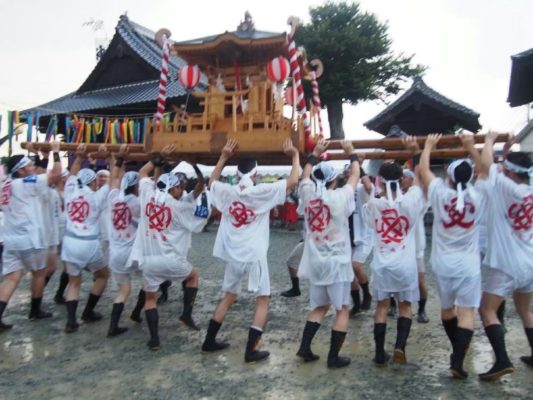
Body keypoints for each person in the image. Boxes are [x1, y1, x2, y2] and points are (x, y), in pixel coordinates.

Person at [201, 138, 299, 363]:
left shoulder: (227, 191)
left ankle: (209, 341)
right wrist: (294, 155)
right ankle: (251, 350)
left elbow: (212, 181)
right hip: (254, 254)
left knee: (229, 296)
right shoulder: (262, 191)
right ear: (255, 174)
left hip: (234, 254)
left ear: (237, 175)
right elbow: (293, 180)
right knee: (263, 299)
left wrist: (224, 156)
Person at [419, 134, 485, 379]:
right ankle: (457, 358)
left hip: (443, 263)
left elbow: (423, 170)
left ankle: (457, 348)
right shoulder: (479, 195)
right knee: (467, 312)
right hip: (469, 265)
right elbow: (485, 171)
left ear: (448, 177)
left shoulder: (438, 192)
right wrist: (472, 146)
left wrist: (428, 146)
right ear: (471, 177)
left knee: (447, 310)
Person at [130, 146, 208, 350]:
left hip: (148, 260)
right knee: (193, 277)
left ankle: (154, 339)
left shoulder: (147, 194)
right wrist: (196, 168)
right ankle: (186, 315)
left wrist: (158, 158)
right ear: (173, 189)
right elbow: (199, 218)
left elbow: (142, 173)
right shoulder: (179, 206)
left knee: (150, 299)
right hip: (171, 259)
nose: (181, 189)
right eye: (178, 187)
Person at [295, 139, 360, 368]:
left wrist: (314, 153)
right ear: (334, 180)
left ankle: (305, 347)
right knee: (342, 309)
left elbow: (304, 176)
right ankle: (333, 356)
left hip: (316, 261)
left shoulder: (308, 194)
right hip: (337, 261)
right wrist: (351, 153)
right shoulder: (340, 196)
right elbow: (355, 176)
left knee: (319, 307)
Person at [476, 132, 533, 380]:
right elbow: (504, 168)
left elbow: (488, 165)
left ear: (509, 171)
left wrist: (489, 142)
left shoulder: (505, 186)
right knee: (525, 310)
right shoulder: (527, 188)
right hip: (529, 259)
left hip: (508, 263)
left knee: (486, 309)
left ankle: (501, 360)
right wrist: (507, 150)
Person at [362, 144, 425, 366]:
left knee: (382, 306)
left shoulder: (373, 204)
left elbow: (370, 222)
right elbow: (419, 180)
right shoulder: (411, 200)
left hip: (382, 263)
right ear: (401, 180)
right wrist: (417, 153)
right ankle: (400, 346)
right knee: (405, 305)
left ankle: (380, 353)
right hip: (405, 263)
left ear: (380, 181)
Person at [0, 141, 62, 331]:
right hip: (29, 238)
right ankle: (35, 310)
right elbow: (55, 176)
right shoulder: (26, 183)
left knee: (12, 278)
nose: (32, 167)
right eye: (28, 165)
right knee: (39, 273)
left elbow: (38, 174)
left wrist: (44, 157)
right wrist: (56, 152)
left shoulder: (6, 183)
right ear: (20, 171)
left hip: (10, 238)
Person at [61, 144, 110, 333]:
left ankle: (70, 321)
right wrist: (114, 159)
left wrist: (79, 157)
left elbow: (72, 174)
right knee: (102, 276)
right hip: (89, 243)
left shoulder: (70, 190)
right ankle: (88, 311)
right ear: (93, 182)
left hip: (69, 242)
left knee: (74, 282)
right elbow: (115, 179)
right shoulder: (97, 196)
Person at [106, 147, 143, 337]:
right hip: (133, 253)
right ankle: (137, 312)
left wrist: (119, 160)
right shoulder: (138, 203)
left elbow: (114, 179)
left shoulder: (113, 198)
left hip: (115, 253)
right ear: (136, 187)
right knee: (150, 283)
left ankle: (113, 327)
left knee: (124, 291)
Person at [342, 162, 374, 315]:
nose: (347, 177)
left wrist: (360, 167)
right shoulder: (343, 191)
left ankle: (367, 293)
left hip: (363, 234)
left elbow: (368, 186)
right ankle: (356, 303)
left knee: (356, 265)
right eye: (345, 175)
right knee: (348, 272)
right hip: (346, 235)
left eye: (350, 174)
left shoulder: (361, 189)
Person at [401, 168, 430, 323]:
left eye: (405, 177)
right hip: (399, 245)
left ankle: (421, 309)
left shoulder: (418, 197)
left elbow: (425, 188)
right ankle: (392, 305)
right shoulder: (395, 196)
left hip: (416, 245)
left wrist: (420, 171)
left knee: (420, 280)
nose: (402, 179)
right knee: (396, 277)